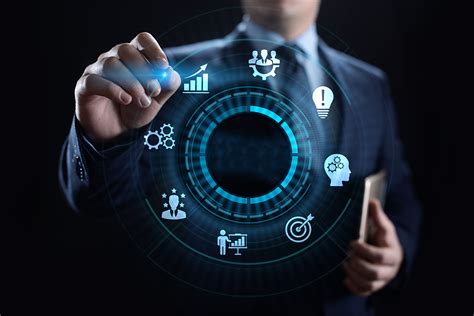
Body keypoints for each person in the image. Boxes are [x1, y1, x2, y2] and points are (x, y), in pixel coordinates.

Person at [59, 0, 421, 314]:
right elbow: (103, 202)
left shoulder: (369, 85)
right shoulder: (164, 78)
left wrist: (395, 252)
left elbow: (400, 199)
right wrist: (106, 139)